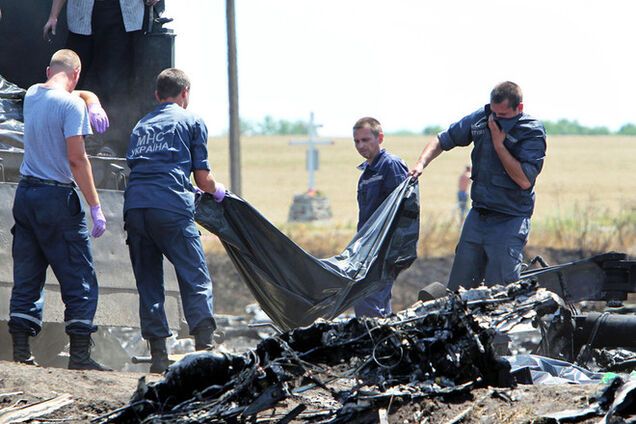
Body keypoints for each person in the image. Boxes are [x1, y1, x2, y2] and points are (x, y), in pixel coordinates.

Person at [9, 49, 110, 371]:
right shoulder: (71, 106)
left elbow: (67, 88)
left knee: (28, 274)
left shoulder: (33, 95)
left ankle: (21, 353)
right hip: (56, 197)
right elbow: (77, 160)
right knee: (79, 276)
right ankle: (80, 356)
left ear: (47, 70)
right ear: (76, 74)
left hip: (25, 195)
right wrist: (95, 206)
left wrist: (91, 101)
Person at [124, 68, 226, 373]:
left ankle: (157, 357)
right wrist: (217, 191)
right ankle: (204, 349)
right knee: (194, 276)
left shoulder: (141, 125)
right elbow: (203, 178)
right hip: (170, 208)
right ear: (185, 93)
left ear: (157, 96)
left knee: (149, 283)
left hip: (136, 209)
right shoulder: (191, 120)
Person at [409, 81, 546, 291]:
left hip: (510, 219)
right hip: (478, 217)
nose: (497, 120)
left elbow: (524, 180)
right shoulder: (482, 118)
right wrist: (420, 164)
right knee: (458, 290)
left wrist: (499, 144)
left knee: (500, 291)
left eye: (504, 115)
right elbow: (443, 139)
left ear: (519, 108)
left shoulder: (531, 131)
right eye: (494, 113)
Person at [42, 0, 161, 155]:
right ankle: (66, 138)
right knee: (71, 78)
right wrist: (53, 16)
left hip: (121, 17)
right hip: (82, 17)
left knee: (116, 83)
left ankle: (113, 142)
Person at [352, 117, 408, 317]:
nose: (360, 145)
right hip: (368, 247)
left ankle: (371, 345)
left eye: (366, 140)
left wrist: (394, 247)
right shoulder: (367, 173)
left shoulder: (390, 166)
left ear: (380, 138)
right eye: (357, 141)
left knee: (367, 301)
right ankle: (384, 344)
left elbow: (404, 207)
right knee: (373, 302)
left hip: (385, 246)